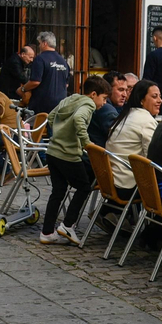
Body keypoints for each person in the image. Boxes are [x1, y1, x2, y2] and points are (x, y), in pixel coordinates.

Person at [40, 75, 110, 246]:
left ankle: (47, 232)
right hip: (68, 154)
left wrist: (59, 134)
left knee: (58, 191)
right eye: (104, 98)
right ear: (93, 94)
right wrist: (86, 143)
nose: (104, 103)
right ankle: (68, 225)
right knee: (84, 187)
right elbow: (79, 119)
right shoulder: (88, 105)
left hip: (53, 151)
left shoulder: (70, 99)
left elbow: (51, 116)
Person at [104, 79, 162, 191]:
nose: (160, 100)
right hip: (129, 184)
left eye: (160, 96)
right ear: (141, 100)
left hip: (112, 180)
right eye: (154, 96)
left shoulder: (126, 115)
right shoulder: (146, 121)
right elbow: (153, 158)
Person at [26, 31, 72, 115]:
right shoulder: (63, 61)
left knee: (37, 123)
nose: (39, 46)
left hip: (42, 104)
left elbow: (35, 81)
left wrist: (23, 89)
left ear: (45, 43)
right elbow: (66, 84)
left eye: (40, 43)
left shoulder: (40, 59)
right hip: (60, 104)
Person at [90, 72, 129, 145]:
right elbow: (120, 136)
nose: (125, 95)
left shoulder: (117, 107)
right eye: (120, 90)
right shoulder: (105, 108)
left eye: (126, 90)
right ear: (108, 89)